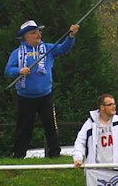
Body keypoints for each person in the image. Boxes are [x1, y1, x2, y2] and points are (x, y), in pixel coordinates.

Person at [5, 19, 80, 158]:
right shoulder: (17, 53)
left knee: (50, 125)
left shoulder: (48, 48)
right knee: (24, 127)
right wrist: (19, 71)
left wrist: (71, 36)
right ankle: (19, 154)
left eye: (38, 32)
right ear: (26, 36)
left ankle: (54, 154)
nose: (38, 34)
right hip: (25, 97)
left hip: (45, 96)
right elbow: (8, 70)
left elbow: (64, 48)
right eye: (34, 32)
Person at [72, 94, 118, 169]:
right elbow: (80, 141)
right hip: (95, 171)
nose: (114, 106)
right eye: (110, 104)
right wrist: (77, 157)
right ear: (102, 107)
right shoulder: (90, 124)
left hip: (117, 169)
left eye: (114, 104)